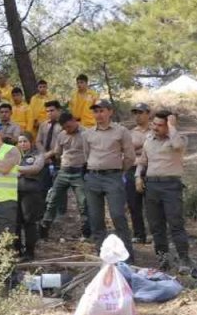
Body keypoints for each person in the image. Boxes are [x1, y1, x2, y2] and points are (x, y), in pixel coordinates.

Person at [138, 110, 191, 272]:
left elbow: (177, 146)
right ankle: (163, 258)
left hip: (171, 186)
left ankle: (184, 259)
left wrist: (172, 126)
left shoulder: (179, 138)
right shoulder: (148, 139)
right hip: (151, 185)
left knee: (176, 224)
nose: (155, 128)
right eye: (153, 124)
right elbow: (143, 161)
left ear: (168, 126)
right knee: (156, 225)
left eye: (160, 125)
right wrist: (137, 177)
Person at [81, 99, 135, 251]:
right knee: (96, 218)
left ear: (110, 112)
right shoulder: (87, 134)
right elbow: (87, 155)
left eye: (102, 110)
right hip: (93, 178)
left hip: (113, 177)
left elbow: (130, 156)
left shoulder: (121, 131)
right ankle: (101, 252)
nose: (98, 114)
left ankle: (127, 254)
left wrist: (118, 171)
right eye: (96, 111)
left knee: (118, 215)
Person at [40, 111, 91, 241]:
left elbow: (91, 152)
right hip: (63, 171)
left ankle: (86, 232)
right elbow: (57, 152)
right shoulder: (62, 135)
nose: (67, 129)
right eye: (65, 128)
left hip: (79, 172)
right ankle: (44, 230)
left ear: (74, 121)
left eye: (69, 126)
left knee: (83, 203)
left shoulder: (86, 133)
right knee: (52, 200)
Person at [16, 134, 49, 261]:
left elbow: (35, 168)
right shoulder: (15, 155)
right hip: (15, 192)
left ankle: (30, 252)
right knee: (16, 223)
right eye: (20, 142)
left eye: (25, 141)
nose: (22, 144)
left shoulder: (37, 155)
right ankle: (17, 250)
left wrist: (17, 169)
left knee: (29, 222)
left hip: (31, 193)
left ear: (31, 142)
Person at [127, 103, 152, 244]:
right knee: (133, 203)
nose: (138, 115)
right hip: (132, 169)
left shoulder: (154, 130)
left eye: (140, 112)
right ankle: (139, 233)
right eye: (135, 113)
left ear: (148, 113)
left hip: (151, 169)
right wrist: (143, 146)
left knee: (152, 203)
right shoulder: (130, 133)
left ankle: (154, 233)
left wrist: (140, 148)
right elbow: (126, 152)